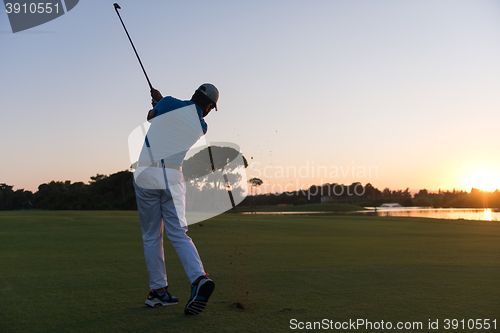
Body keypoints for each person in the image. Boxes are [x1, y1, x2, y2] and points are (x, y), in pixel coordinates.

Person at [133, 83, 219, 315]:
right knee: (178, 233)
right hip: (173, 175)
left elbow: (151, 116)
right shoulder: (202, 126)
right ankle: (198, 278)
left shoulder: (168, 102)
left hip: (146, 172)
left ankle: (158, 291)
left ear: (193, 94)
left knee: (152, 234)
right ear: (209, 106)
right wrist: (160, 104)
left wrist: (158, 102)